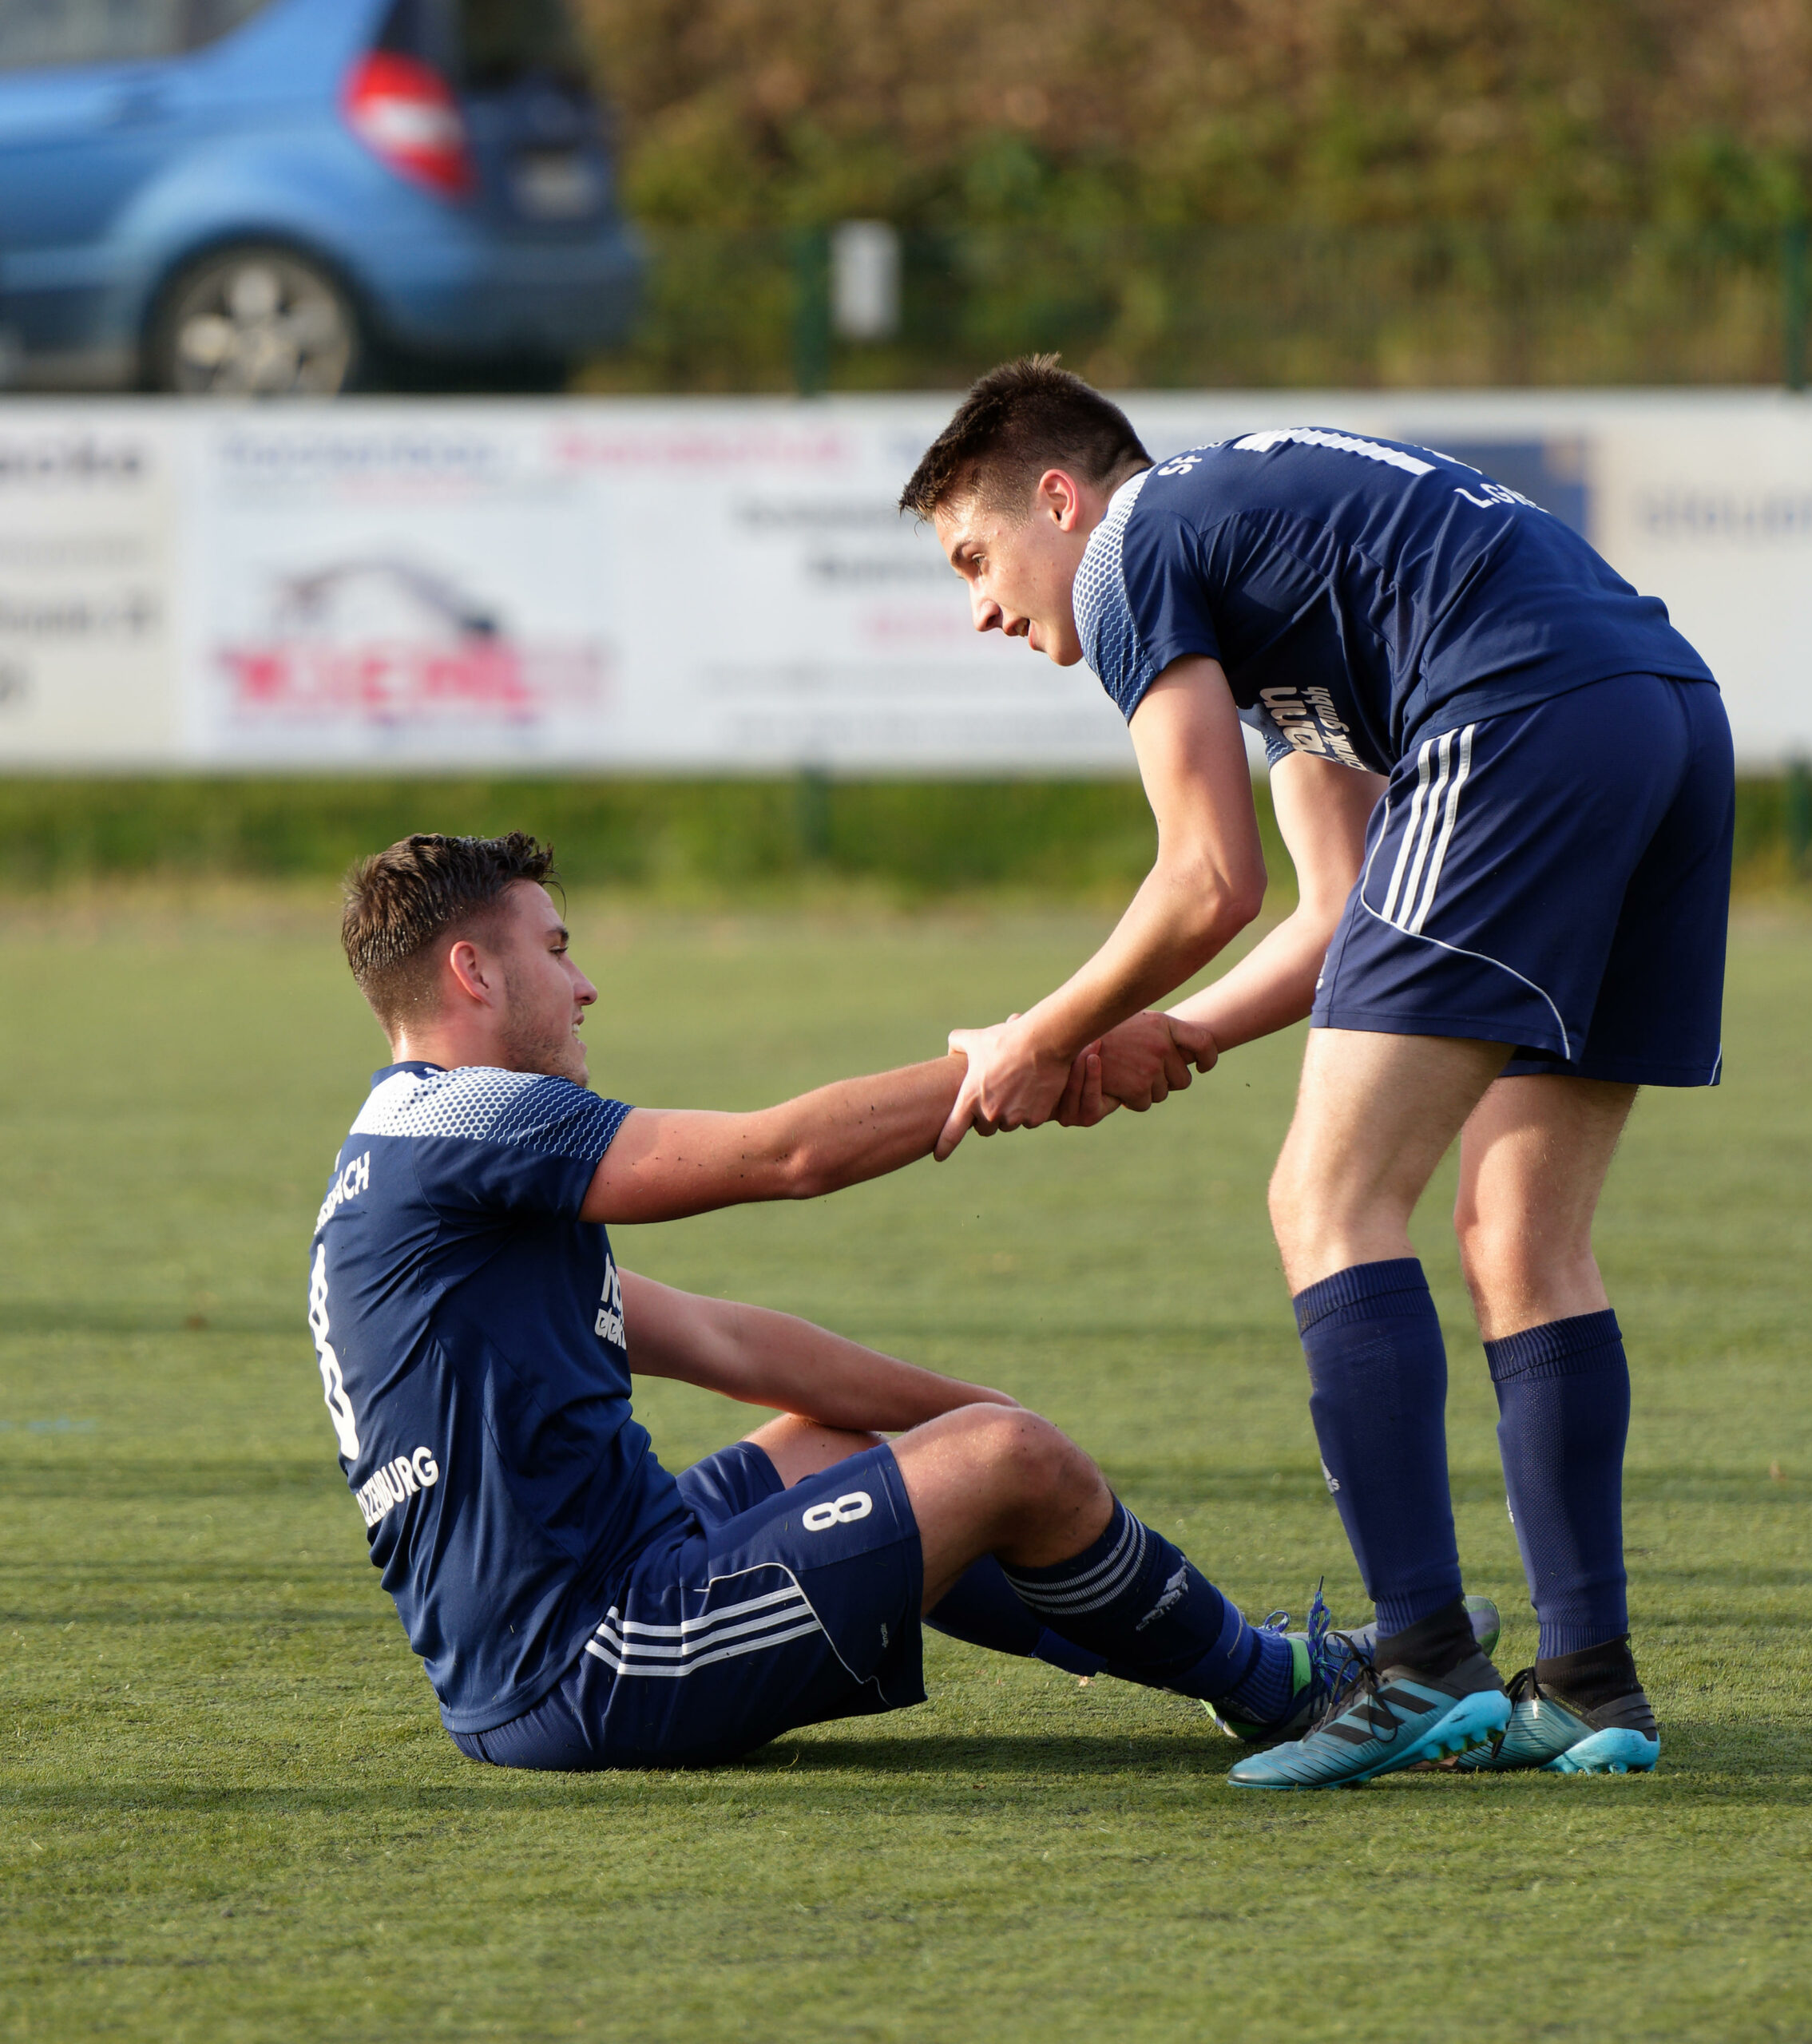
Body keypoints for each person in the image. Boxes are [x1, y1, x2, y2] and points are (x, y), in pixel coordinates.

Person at [898, 358, 1732, 1788]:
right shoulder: (1268, 571)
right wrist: (1183, 1031)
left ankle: (1417, 1659)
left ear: (1061, 497)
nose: (979, 603)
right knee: (1520, 1237)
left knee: (1326, 1200)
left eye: (976, 556)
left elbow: (1206, 878)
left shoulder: (1134, 547)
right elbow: (1336, 909)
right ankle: (1592, 1683)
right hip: (1662, 717)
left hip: (1520, 716)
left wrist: (1036, 1032)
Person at [310, 829, 1376, 1772]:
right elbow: (788, 1154)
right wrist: (1034, 1051)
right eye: (555, 950)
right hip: (591, 1661)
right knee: (1009, 1462)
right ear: (472, 974)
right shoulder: (472, 1123)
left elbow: (727, 1340)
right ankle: (1292, 1690)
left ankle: (1191, 1645)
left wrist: (966, 1406)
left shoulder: (407, 1165)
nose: (584, 984)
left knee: (868, 1445)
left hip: (582, 1609)